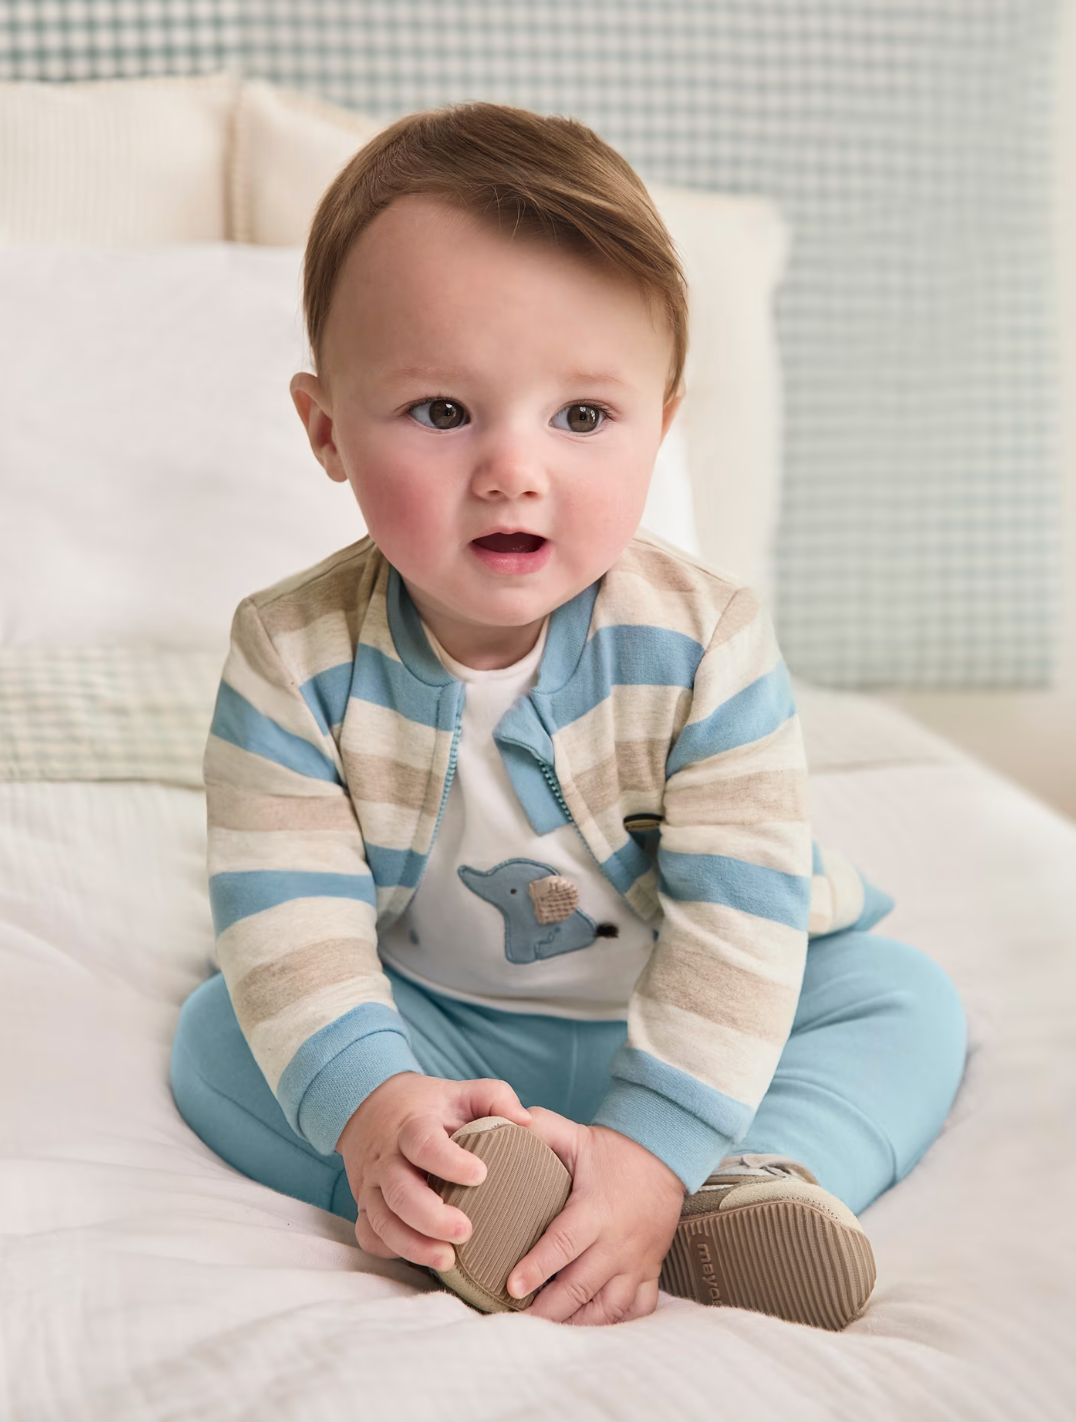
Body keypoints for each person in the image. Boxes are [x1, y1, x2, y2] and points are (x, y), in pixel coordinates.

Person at [170, 101, 968, 1331]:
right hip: (443, 1026)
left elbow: (737, 925)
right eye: (441, 412)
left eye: (581, 416)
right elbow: (292, 919)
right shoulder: (290, 654)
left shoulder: (704, 641)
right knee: (224, 1035)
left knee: (905, 1002)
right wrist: (379, 1106)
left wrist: (655, 1148)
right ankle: (448, 1196)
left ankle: (724, 1192)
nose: (513, 470)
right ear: (325, 427)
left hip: (695, 1002)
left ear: (662, 420)